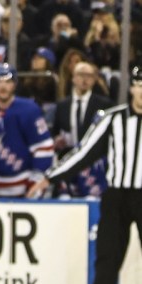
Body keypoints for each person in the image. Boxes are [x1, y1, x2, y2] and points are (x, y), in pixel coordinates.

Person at [28, 66, 142, 284]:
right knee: (106, 260)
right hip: (116, 197)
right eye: (139, 84)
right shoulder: (113, 119)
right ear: (132, 88)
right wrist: (49, 177)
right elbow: (83, 153)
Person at [0, 62, 54, 197]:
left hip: (23, 184)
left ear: (14, 84)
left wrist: (36, 179)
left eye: (7, 82)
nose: (3, 86)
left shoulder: (29, 110)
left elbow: (43, 148)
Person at [50, 60, 111, 198]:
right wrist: (57, 141)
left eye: (89, 75)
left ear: (95, 80)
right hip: (69, 160)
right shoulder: (62, 105)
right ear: (73, 78)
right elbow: (55, 132)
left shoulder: (105, 104)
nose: (84, 79)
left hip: (94, 165)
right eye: (80, 74)